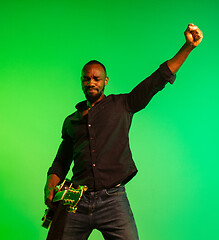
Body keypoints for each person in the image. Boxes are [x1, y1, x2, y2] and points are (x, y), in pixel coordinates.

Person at [44, 23, 203, 240]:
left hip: (112, 200)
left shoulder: (123, 105)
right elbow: (61, 160)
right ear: (81, 81)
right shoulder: (71, 122)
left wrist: (188, 47)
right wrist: (51, 183)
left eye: (96, 78)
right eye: (86, 78)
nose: (91, 82)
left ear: (105, 81)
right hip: (77, 200)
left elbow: (157, 80)